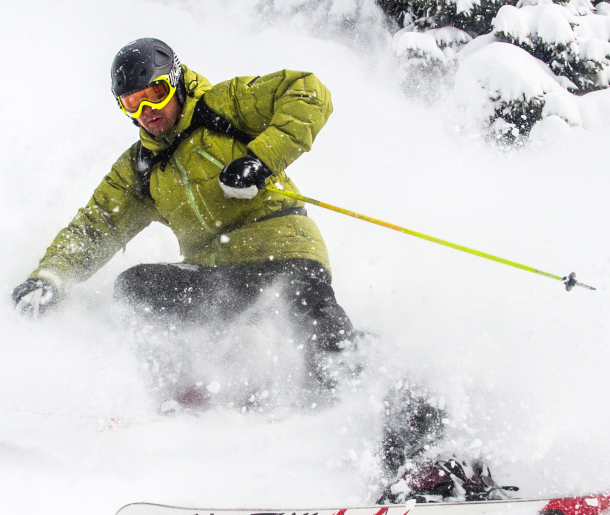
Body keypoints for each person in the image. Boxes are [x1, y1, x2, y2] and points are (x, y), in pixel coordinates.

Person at [12, 38, 357, 405]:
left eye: (155, 93)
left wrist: (260, 161)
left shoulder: (223, 106)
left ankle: (368, 396)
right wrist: (49, 277)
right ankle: (186, 391)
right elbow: (97, 225)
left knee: (306, 318)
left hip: (283, 252)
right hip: (218, 274)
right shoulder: (141, 167)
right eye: (132, 102)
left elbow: (306, 91)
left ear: (175, 81)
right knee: (136, 287)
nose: (147, 110)